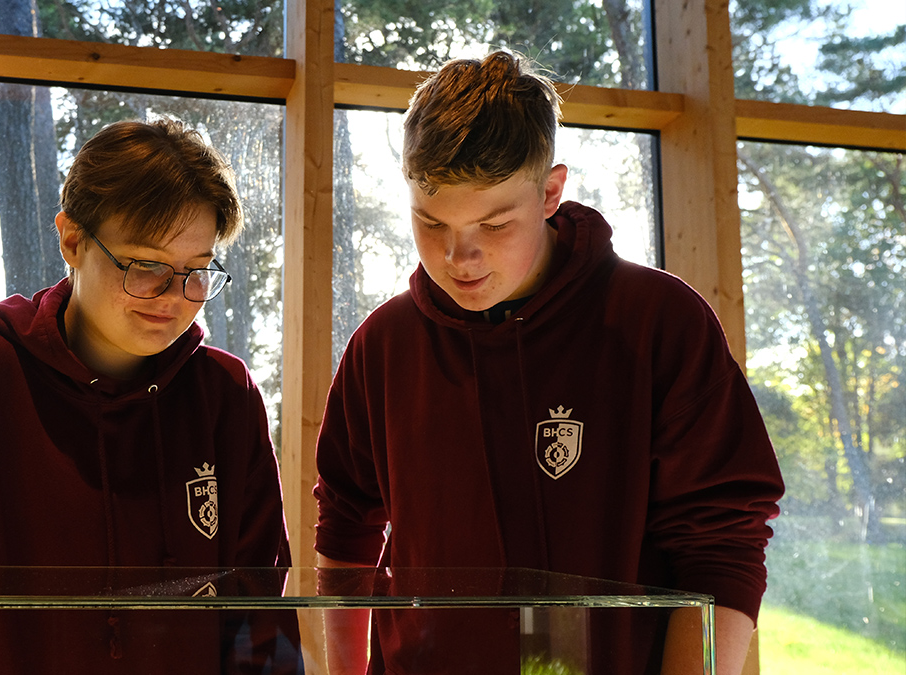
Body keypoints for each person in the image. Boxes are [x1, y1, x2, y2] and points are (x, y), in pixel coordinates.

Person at [313, 50, 784, 675]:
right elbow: (345, 531)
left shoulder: (659, 322)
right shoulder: (382, 343)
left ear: (551, 193)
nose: (460, 257)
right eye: (431, 223)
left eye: (494, 223)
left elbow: (722, 548)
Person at [0, 119, 301, 674]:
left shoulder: (226, 394)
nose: (174, 297)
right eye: (146, 267)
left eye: (196, 272)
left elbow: (258, 615)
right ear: (72, 239)